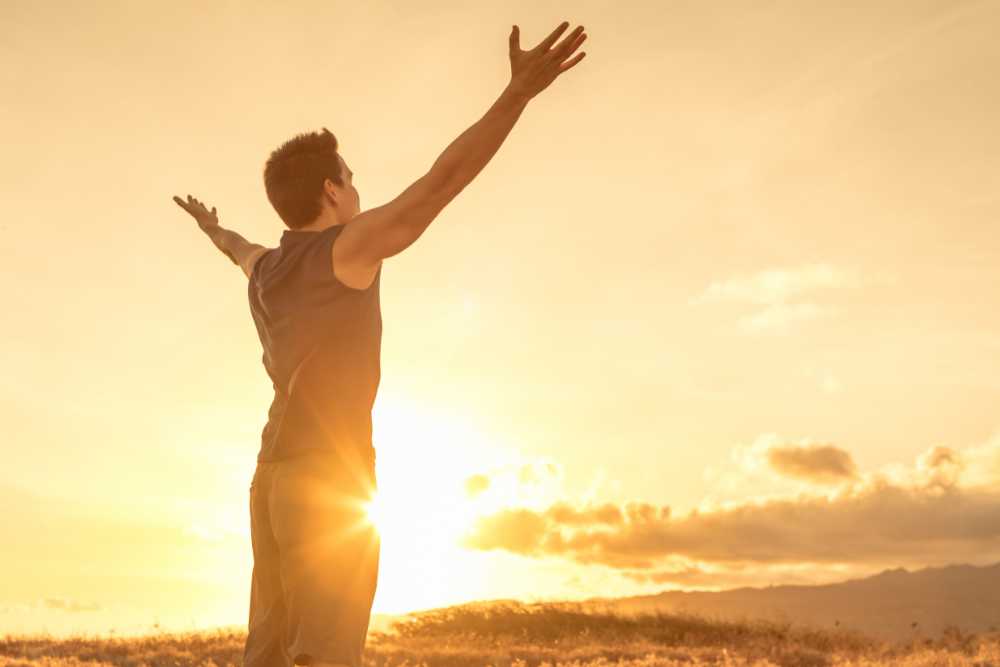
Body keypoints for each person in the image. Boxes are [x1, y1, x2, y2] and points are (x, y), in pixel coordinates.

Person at [172, 21, 587, 667]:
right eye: (350, 177)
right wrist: (517, 95)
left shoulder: (268, 269)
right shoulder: (346, 250)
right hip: (327, 481)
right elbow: (441, 181)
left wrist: (212, 227)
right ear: (332, 192)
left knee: (269, 654)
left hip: (270, 480)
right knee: (326, 655)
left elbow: (236, 251)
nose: (358, 188)